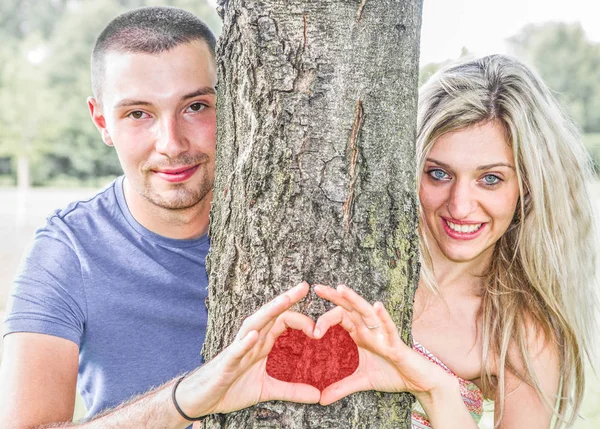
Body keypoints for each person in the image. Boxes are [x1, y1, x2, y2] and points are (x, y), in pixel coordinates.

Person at [0, 7, 322, 428]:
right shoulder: (70, 249)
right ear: (102, 120)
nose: (171, 143)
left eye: (195, 107)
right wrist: (185, 398)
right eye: (138, 114)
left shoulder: (300, 226)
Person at [311, 54, 598, 428]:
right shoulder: (346, 263)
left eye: (490, 179)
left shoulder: (521, 331)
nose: (460, 206)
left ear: (525, 186)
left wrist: (436, 389)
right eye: (439, 173)